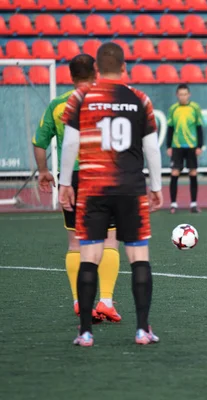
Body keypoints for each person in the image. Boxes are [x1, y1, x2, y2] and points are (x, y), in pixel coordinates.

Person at [58, 42, 163, 346]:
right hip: (130, 188)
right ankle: (143, 329)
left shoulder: (81, 97)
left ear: (96, 70)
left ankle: (85, 332)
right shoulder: (140, 99)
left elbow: (69, 145)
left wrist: (66, 184)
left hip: (92, 189)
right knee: (138, 256)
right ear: (125, 68)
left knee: (89, 255)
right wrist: (156, 187)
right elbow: (152, 148)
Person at [32, 54, 121, 323]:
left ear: (70, 76)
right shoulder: (107, 99)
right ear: (95, 72)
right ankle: (106, 300)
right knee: (109, 238)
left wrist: (44, 171)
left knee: (76, 241)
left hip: (73, 177)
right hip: (104, 174)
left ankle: (79, 301)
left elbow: (39, 142)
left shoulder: (59, 105)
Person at [166, 84, 204, 214]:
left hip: (191, 146)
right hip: (177, 146)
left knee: (193, 173)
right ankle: (173, 204)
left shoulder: (195, 108)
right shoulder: (173, 109)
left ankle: (193, 204)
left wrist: (199, 146)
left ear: (189, 95)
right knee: (174, 173)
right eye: (180, 94)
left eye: (185, 94)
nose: (183, 96)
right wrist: (168, 146)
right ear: (177, 95)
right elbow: (170, 128)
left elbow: (199, 127)